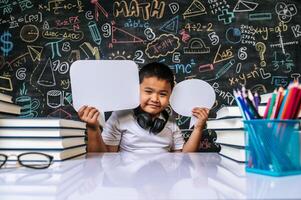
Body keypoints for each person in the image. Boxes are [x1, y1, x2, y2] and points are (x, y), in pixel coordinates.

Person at [78, 62, 209, 152]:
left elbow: (185, 159)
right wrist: (93, 128)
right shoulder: (119, 117)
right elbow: (101, 160)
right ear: (137, 90)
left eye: (163, 94)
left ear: (171, 95)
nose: (155, 99)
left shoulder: (171, 123)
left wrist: (198, 128)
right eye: (148, 91)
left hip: (164, 184)